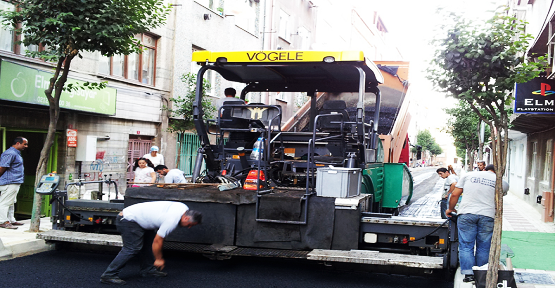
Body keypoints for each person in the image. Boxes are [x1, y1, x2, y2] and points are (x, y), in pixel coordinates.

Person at [100, 201, 202, 285]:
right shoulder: (172, 220)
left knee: (148, 245)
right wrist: (158, 259)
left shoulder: (184, 208)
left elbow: (158, 239)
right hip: (128, 219)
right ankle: (109, 275)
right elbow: (158, 241)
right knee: (132, 248)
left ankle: (147, 270)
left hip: (141, 220)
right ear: (186, 218)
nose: (189, 227)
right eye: (190, 224)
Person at [446, 164, 509, 283]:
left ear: (484, 169)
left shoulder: (469, 175)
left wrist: (450, 209)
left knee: (466, 245)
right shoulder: (503, 183)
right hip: (488, 215)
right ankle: (481, 274)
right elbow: (498, 200)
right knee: (484, 247)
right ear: (500, 171)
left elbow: (455, 194)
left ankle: (468, 274)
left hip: (467, 214)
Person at [0, 137, 28, 229]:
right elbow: (3, 167)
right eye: (24, 144)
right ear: (17, 143)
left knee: (11, 202)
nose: (26, 146)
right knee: (5, 202)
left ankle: (11, 219)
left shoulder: (16, 153)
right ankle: (3, 221)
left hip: (14, 182)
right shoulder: (10, 153)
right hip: (9, 182)